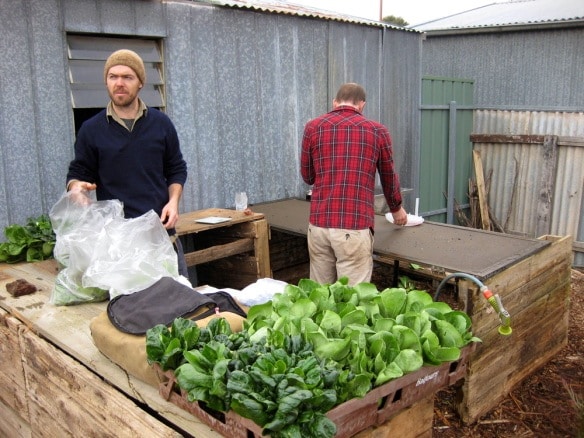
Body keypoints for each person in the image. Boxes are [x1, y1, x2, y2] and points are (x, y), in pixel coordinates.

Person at [66, 49, 189, 277]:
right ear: (106, 82)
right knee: (131, 306)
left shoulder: (161, 124)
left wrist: (173, 202)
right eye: (113, 77)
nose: (119, 83)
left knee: (179, 302)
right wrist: (76, 188)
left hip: (161, 233)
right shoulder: (91, 130)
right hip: (119, 241)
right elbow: (79, 172)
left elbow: (176, 168)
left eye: (127, 77)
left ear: (140, 82)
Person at [300, 82, 407, 285]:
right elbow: (388, 176)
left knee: (319, 295)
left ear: (335, 102)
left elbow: (308, 177)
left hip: (319, 226)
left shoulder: (312, 127)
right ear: (362, 105)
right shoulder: (377, 131)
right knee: (353, 301)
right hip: (354, 226)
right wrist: (396, 208)